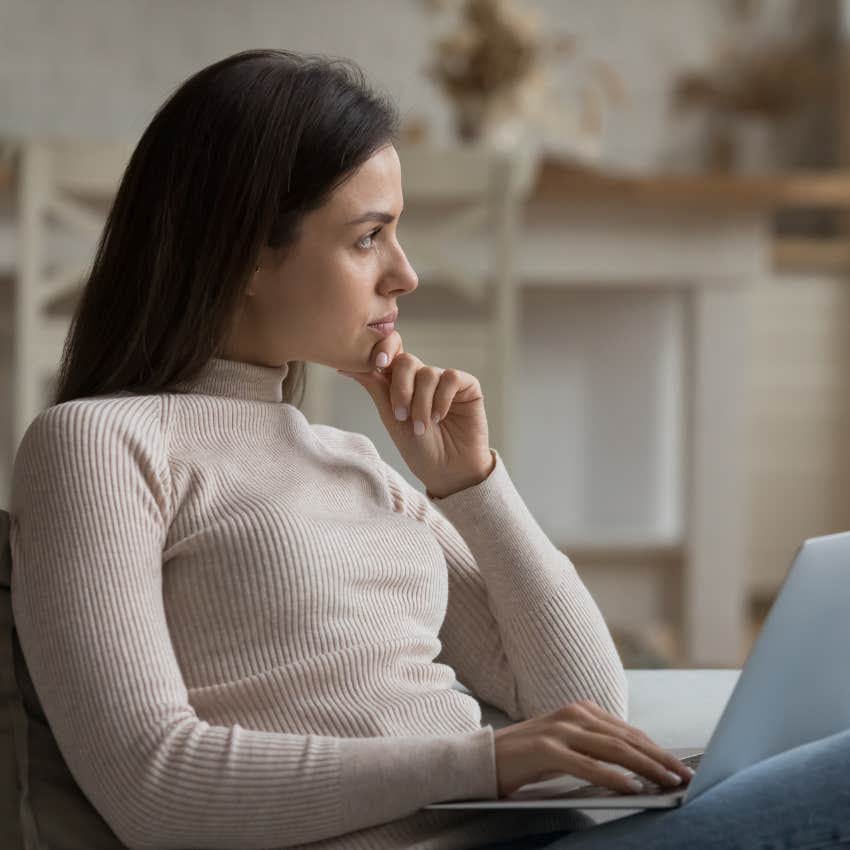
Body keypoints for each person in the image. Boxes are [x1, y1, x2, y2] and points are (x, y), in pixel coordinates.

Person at [8, 48, 843, 850]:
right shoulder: (98, 446)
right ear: (244, 254)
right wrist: (481, 763)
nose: (403, 274)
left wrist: (472, 486)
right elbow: (153, 784)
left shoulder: (358, 462)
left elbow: (586, 703)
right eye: (368, 237)